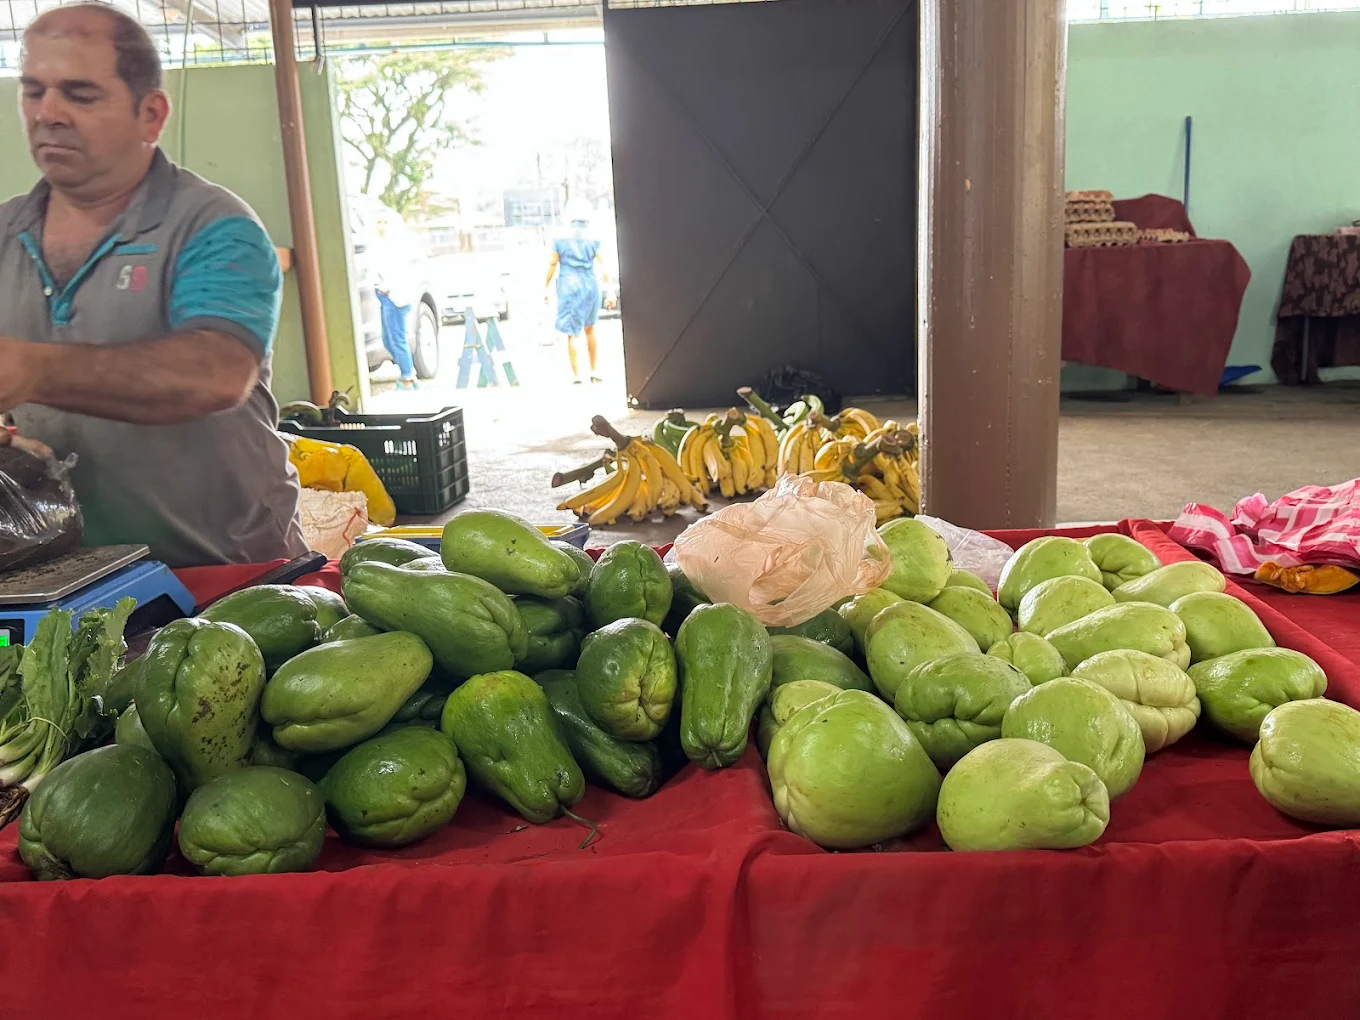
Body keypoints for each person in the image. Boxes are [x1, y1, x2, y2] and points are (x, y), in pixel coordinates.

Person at [0, 4, 307, 567]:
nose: (49, 113)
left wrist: (33, 370)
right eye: (33, 91)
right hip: (67, 586)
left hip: (230, 583)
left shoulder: (214, 228)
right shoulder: (4, 234)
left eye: (80, 94)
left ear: (151, 114)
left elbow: (216, 373)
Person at [545, 204, 604, 384]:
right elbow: (603, 263)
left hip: (569, 286)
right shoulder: (594, 237)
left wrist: (545, 286)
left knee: (573, 333)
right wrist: (609, 290)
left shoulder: (560, 237)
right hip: (591, 284)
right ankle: (594, 371)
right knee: (590, 329)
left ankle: (577, 374)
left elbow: (553, 263)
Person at [371, 211, 418, 391]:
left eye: (384, 222)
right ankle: (407, 373)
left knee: (397, 338)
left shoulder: (396, 245)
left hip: (394, 296)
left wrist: (387, 287)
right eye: (378, 222)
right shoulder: (378, 244)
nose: (381, 226)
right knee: (387, 340)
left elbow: (400, 270)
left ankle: (408, 377)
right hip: (384, 295)